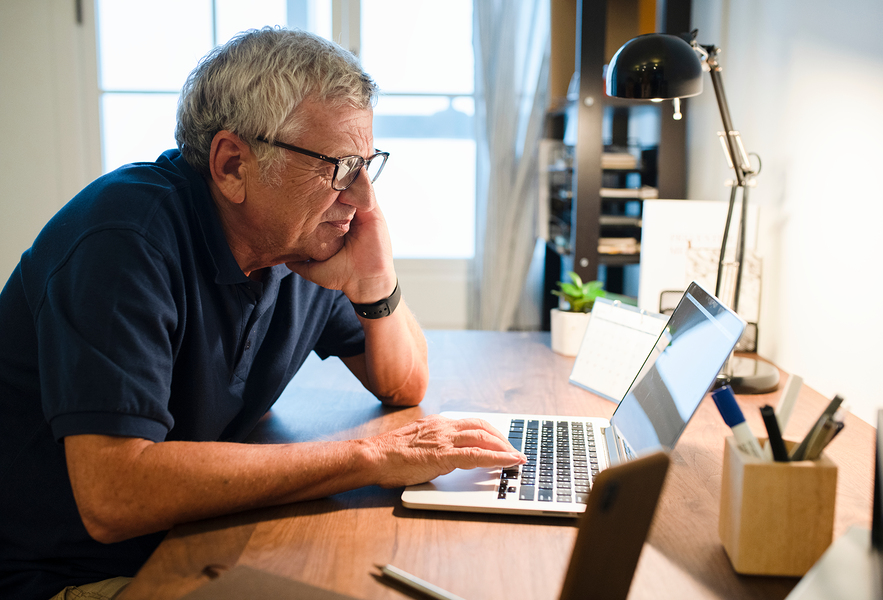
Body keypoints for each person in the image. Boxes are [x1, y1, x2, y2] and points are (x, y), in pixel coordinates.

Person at [0, 27, 526, 600]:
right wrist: (369, 456)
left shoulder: (297, 247)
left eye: (367, 166)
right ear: (232, 165)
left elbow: (402, 383)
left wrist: (376, 281)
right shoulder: (125, 238)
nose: (362, 199)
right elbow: (114, 496)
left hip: (185, 538)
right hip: (67, 575)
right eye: (341, 167)